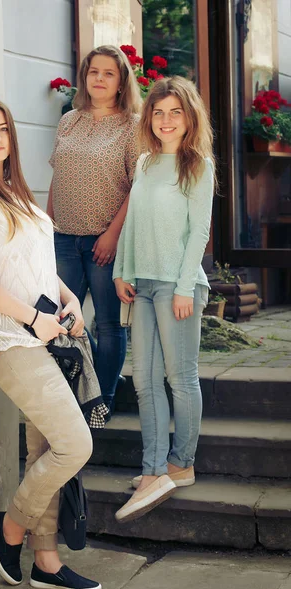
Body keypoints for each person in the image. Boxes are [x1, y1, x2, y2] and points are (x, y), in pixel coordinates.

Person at [0, 96, 102, 589]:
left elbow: (38, 266)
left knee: (45, 448)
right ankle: (10, 527)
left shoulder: (17, 194)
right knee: (75, 444)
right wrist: (34, 318)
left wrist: (69, 300)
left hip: (47, 334)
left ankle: (46, 561)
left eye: (2, 129)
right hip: (10, 341)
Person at [113, 76, 215, 523]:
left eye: (175, 112)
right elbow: (133, 223)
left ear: (189, 117)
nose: (166, 120)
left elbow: (200, 233)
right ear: (149, 117)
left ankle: (181, 463)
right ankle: (153, 469)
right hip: (142, 283)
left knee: (180, 376)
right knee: (145, 381)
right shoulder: (144, 163)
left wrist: (183, 288)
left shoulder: (198, 165)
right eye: (159, 112)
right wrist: (121, 271)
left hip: (178, 286)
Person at [48, 45, 142, 419]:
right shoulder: (69, 120)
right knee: (62, 321)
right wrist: (47, 227)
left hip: (104, 240)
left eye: (109, 73)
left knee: (107, 322)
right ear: (85, 78)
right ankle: (70, 397)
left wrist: (113, 236)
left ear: (121, 83)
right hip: (63, 239)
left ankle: (101, 402)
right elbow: (58, 176)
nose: (99, 79)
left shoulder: (133, 125)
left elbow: (139, 186)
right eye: (93, 72)